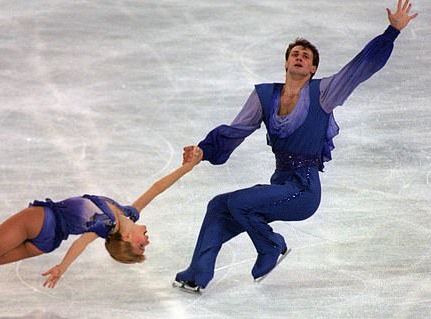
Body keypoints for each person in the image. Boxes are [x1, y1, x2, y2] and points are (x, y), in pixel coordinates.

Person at [173, 0, 418, 292]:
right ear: (287, 63)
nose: (299, 58)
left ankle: (272, 246)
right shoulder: (264, 96)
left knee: (240, 204)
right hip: (281, 185)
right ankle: (196, 274)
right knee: (218, 206)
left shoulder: (324, 93)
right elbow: (235, 131)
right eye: (295, 54)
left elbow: (359, 68)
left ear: (313, 67)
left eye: (306, 56)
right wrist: (202, 151)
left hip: (304, 191)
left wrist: (391, 32)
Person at [0, 146, 204, 306]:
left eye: (140, 246)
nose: (146, 241)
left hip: (38, 222)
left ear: (124, 238)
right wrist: (188, 167)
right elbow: (158, 188)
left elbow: (81, 243)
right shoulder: (127, 215)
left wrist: (63, 268)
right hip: (47, 242)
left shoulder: (106, 223)